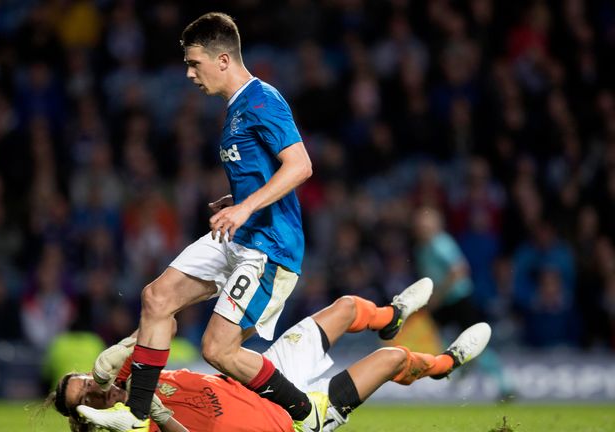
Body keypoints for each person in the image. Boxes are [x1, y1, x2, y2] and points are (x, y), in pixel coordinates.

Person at [87, 12, 338, 431]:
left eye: (194, 63)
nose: (188, 73)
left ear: (223, 60)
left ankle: (305, 412)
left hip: (269, 247)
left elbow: (300, 165)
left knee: (218, 350)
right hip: (237, 234)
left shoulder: (263, 100)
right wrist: (239, 200)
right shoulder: (236, 108)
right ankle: (134, 415)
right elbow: (266, 172)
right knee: (156, 298)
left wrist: (245, 207)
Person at [48, 278, 493, 432]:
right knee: (395, 359)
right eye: (83, 397)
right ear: (86, 416)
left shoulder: (133, 377)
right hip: (292, 421)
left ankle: (390, 314)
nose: (90, 388)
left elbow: (164, 325)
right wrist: (161, 416)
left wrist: (122, 347)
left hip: (268, 379)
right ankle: (444, 365)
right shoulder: (131, 424)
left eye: (83, 381)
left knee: (346, 307)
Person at [412, 206, 513, 399]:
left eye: (426, 225)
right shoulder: (421, 249)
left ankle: (505, 385)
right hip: (444, 302)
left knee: (476, 344)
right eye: (419, 226)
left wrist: (438, 295)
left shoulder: (440, 243)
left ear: (436, 225)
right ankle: (461, 366)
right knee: (434, 336)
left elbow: (459, 270)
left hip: (459, 299)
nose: (422, 229)